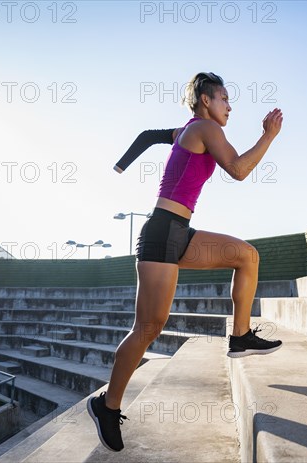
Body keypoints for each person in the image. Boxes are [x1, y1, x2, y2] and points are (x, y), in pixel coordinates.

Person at [87, 72, 283, 452]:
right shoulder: (206, 129)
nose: (230, 106)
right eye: (225, 98)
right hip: (162, 233)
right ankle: (107, 405)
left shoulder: (187, 129)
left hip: (180, 232)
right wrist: (269, 135)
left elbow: (148, 135)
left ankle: (240, 336)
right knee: (148, 327)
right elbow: (239, 170)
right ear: (206, 101)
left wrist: (121, 164)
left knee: (247, 256)